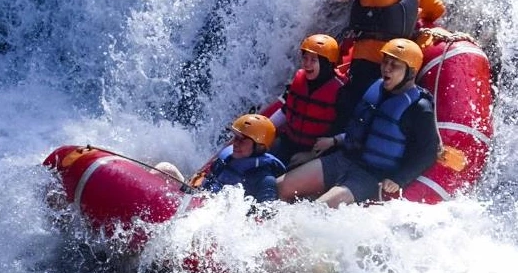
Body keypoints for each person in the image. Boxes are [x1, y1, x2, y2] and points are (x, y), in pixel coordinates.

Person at [275, 38, 440, 208]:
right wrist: (331, 143)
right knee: (279, 187)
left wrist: (399, 179)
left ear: (411, 72)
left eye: (395, 65)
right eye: (385, 62)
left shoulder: (419, 108)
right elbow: (358, 126)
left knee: (317, 209)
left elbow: (427, 153)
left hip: (370, 175)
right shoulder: (374, 87)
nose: (386, 68)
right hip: (342, 158)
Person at [314, 0, 446, 127]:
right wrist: (415, 15)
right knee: (378, 115)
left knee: (350, 111)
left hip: (367, 62)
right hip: (398, 67)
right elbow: (438, 10)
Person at [154, 114, 287, 203]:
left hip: (215, 221)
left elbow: (263, 219)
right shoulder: (227, 157)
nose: (235, 143)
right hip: (198, 200)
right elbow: (205, 180)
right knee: (165, 168)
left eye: (243, 140)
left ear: (259, 147)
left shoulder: (264, 180)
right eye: (235, 137)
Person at [266, 34, 346, 168]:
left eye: (313, 60)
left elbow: (344, 130)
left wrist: (311, 154)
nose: (307, 64)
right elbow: (285, 111)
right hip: (288, 141)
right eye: (305, 58)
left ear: (326, 63)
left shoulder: (341, 91)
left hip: (318, 151)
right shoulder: (299, 80)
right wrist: (264, 129)